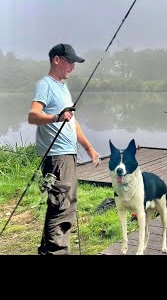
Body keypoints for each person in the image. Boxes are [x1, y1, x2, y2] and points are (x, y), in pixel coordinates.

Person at [28, 43, 100, 255]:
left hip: (67, 155)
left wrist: (89, 147)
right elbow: (33, 116)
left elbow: (72, 122)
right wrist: (56, 117)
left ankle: (46, 251)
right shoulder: (46, 85)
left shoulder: (62, 88)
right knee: (61, 211)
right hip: (57, 158)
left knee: (64, 206)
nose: (73, 67)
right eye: (70, 62)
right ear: (56, 60)